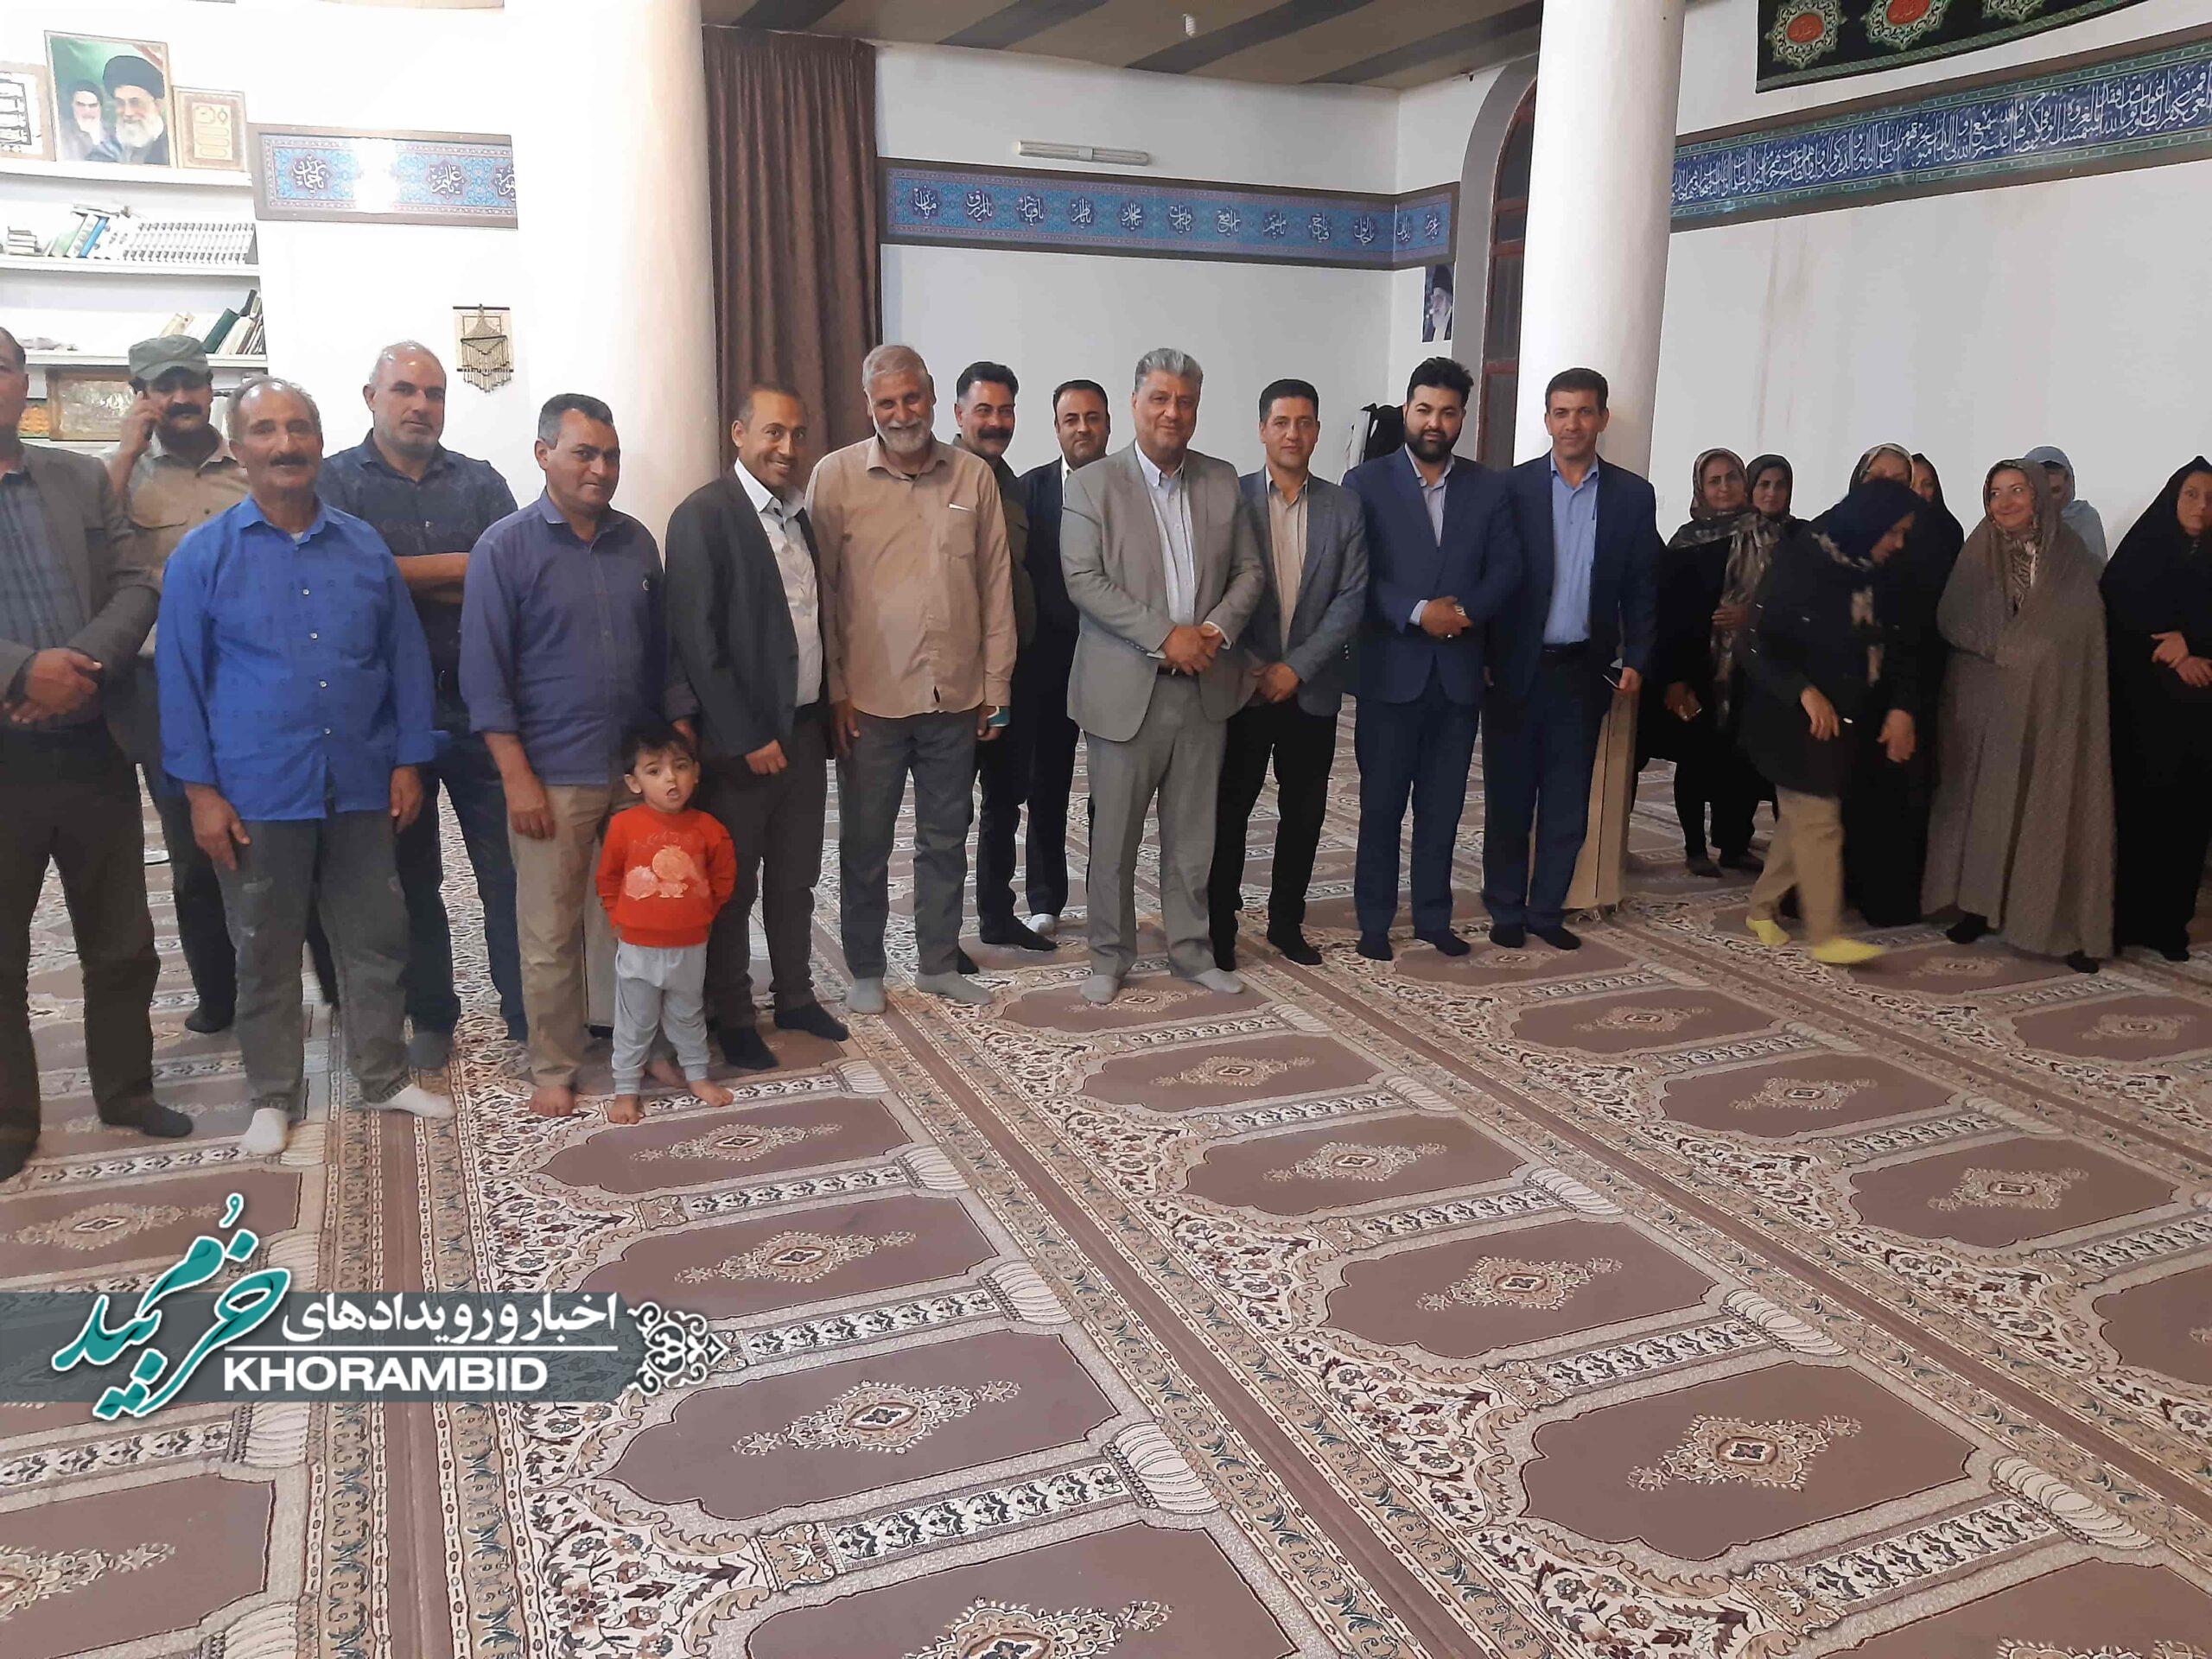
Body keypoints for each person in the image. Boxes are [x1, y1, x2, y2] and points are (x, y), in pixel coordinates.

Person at [158, 378, 449, 1158]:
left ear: (320, 441)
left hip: (360, 779)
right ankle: (273, 1095)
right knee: (263, 947)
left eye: (298, 429)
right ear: (238, 447)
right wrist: (200, 794)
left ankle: (382, 1075)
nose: (284, 445)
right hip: (256, 789)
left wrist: (409, 760)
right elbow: (179, 684)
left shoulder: (363, 548)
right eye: (265, 430)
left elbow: (404, 660)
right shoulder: (202, 557)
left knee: (377, 937)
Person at [0, 325, 189, 1181]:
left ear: (24, 382)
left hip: (92, 746)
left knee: (122, 944)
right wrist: (22, 672)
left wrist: (78, 666)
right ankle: (10, 1121)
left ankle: (127, 1092)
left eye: (1, 367)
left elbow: (137, 582)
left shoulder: (76, 477)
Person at [462, 393, 672, 1117]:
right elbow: (484, 676)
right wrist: (515, 777)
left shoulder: (636, 542)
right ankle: (554, 1062)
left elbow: (661, 654)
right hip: (550, 774)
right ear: (543, 453)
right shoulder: (505, 548)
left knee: (641, 920)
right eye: (584, 453)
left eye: (610, 456)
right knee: (550, 932)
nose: (600, 469)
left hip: (633, 773)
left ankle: (646, 1045)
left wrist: (670, 758)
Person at [321, 342, 524, 1065]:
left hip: (482, 708)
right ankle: (433, 1015)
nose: (420, 406)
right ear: (370, 397)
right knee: (409, 880)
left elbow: (511, 576)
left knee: (509, 874)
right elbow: (345, 581)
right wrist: (462, 567)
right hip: (387, 718)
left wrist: (399, 573)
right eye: (405, 390)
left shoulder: (480, 480)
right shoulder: (334, 482)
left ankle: (527, 1015)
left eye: (433, 393)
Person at [809, 344, 1014, 1014]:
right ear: (869, 406)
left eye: (911, 398)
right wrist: (835, 690)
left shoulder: (972, 477)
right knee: (865, 845)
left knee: (945, 841)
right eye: (887, 403)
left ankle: (937, 963)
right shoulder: (835, 478)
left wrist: (997, 689)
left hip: (954, 696)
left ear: (931, 398)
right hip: (868, 702)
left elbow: (996, 587)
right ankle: (866, 969)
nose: (902, 413)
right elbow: (821, 594)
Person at [1062, 347, 1264, 1003]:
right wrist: (1164, 636)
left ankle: (1191, 950)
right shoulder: (1093, 484)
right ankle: (1108, 956)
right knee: (1115, 838)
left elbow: (1250, 573)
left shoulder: (1221, 479)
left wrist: (1211, 633)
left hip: (1203, 686)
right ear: (1134, 404)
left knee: (1193, 836)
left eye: (1184, 401)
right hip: (1126, 690)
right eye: (1160, 398)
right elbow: (1083, 580)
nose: (1172, 412)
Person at [662, 384, 849, 1070]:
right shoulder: (703, 516)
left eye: (797, 434)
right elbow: (697, 641)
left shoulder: (798, 516)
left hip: (803, 730)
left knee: (796, 878)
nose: (787, 447)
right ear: (738, 434)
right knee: (732, 888)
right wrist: (746, 735)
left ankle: (794, 996)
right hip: (740, 744)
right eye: (773, 432)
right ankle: (734, 1015)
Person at [1344, 358, 1517, 958]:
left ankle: (1433, 917)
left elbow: (1506, 570)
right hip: (1391, 671)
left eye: (1447, 412)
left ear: (1462, 417)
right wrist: (1419, 612)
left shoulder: (1488, 487)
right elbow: (1358, 576)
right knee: (1382, 806)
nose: (1434, 422)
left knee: (1443, 808)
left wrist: (1463, 613)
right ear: (1406, 411)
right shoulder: (1366, 483)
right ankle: (1373, 920)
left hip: (1458, 676)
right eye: (1424, 410)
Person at [105, 334, 251, 1034]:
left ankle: (321, 988)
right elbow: (85, 544)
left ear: (212, 384)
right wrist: (125, 452)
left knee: (287, 832)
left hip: (251, 676)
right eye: (165, 386)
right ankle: (219, 995)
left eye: (192, 381)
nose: (183, 397)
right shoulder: (120, 477)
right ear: (140, 394)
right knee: (194, 852)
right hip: (163, 684)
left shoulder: (252, 460)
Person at [1484, 368, 1658, 950]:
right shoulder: (1512, 489)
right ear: (1547, 420)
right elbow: (1491, 579)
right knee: (1509, 800)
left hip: (1583, 671)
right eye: (1561, 412)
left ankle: (1545, 911)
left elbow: (1641, 586)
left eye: (1584, 412)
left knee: (1567, 803)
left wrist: (1638, 654)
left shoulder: (1632, 496)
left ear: (1602, 418)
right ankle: (1506, 908)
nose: (1572, 424)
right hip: (1516, 670)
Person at [1922, 461, 2113, 972]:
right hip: (1987, 702)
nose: (2004, 503)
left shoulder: (2070, 557)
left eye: (2017, 491)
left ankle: (2058, 921)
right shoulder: (1977, 551)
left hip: (2054, 703)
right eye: (1995, 493)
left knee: (2050, 805)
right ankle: (1976, 906)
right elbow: (1954, 617)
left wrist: (2038, 655)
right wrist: (2012, 649)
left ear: (2040, 497)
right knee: (1983, 805)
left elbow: (2085, 630)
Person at [1208, 378, 1368, 969]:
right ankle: (1219, 928)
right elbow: (1217, 590)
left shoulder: (1344, 506)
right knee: (1230, 813)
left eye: (1304, 423)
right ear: (1262, 430)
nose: (1293, 434)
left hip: (1312, 688)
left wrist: (1296, 668)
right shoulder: (1232, 500)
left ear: (1318, 431)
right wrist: (1258, 669)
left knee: (1303, 814)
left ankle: (1286, 922)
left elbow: (1350, 598)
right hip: (1243, 688)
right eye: (1281, 422)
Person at [1738, 480, 1924, 965]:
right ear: (1868, 523)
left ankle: (1761, 908)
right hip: (1787, 716)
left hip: (1843, 717)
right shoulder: (1803, 563)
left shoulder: (1880, 571)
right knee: (1819, 820)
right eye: (1893, 532)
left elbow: (1900, 644)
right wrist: (1803, 690)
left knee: (1801, 821)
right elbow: (1756, 644)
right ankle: (1826, 935)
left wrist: (1900, 708)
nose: (1898, 543)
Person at [1842, 447, 1967, 926]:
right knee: (1843, 792)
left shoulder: (1932, 536)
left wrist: (1906, 701)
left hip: (1907, 682)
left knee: (1897, 793)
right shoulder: (1837, 532)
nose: (1891, 487)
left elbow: (1924, 624)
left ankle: (1888, 896)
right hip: (1847, 686)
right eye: (1879, 476)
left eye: (1904, 480)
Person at [954, 360, 1052, 953]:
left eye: (1006, 411)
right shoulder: (939, 480)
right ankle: (941, 937)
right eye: (984, 410)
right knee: (948, 814)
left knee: (1005, 802)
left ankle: (997, 915)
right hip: (956, 682)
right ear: (958, 414)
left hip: (1015, 674)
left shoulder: (1013, 484)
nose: (996, 422)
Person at [594, 722, 738, 1124]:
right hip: (638, 947)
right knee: (634, 1021)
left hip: (691, 945)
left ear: (696, 772)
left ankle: (697, 1076)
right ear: (634, 782)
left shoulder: (709, 829)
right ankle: (626, 1089)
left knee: (688, 1014)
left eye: (680, 766)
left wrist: (702, 914)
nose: (670, 779)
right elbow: (608, 878)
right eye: (654, 771)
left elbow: (724, 878)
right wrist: (618, 917)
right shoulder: (624, 826)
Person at [2101, 457, 2212, 962]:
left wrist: (2194, 644)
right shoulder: (2143, 550)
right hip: (2141, 715)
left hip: (2198, 722)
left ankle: (2170, 925)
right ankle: (2123, 921)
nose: (2201, 506)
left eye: (2210, 498)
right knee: (2135, 817)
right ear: (2173, 498)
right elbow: (2116, 613)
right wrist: (2171, 654)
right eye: (2191, 494)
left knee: (2186, 820)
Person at [1014, 378, 1110, 938]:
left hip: (1114, 664)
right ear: (1056, 428)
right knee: (1045, 784)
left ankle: (1105, 897)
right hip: (1047, 666)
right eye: (1071, 419)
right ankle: (1046, 897)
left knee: (1111, 790)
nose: (1082, 428)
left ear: (1108, 425)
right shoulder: (1031, 490)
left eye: (1092, 417)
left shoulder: (1131, 488)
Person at [1645, 448, 1764, 877]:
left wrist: (1753, 615)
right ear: (1701, 489)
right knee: (1696, 758)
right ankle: (1695, 847)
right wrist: (1673, 678)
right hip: (1696, 667)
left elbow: (1787, 600)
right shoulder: (1685, 543)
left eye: (1732, 477)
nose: (1725, 487)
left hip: (1751, 669)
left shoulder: (1768, 538)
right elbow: (1667, 614)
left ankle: (1734, 844)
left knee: (1743, 761)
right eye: (1714, 481)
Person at [2022, 445, 2107, 563]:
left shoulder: (2084, 518)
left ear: (2068, 485)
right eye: (2041, 491)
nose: (2049, 499)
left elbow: (2097, 567)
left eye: (2055, 490)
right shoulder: (2010, 520)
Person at [88, 54, 168, 167]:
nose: (128, 112)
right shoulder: (105, 151)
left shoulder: (175, 146)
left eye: (135, 102)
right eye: (120, 103)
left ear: (158, 105)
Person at [1746, 454, 1802, 538]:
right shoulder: (1731, 535)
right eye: (1764, 485)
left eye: (1780, 485)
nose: (1772, 493)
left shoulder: (1804, 533)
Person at [60, 82, 108, 163]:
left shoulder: (114, 134)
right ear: (72, 105)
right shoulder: (62, 135)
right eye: (81, 105)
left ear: (100, 107)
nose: (87, 111)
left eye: (93, 105)